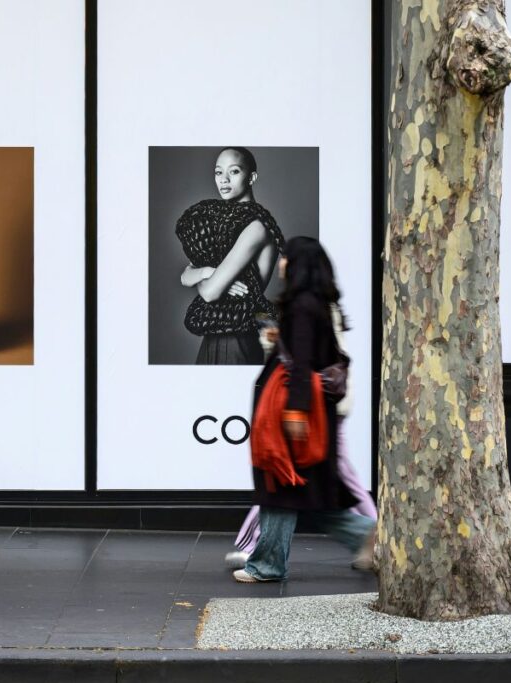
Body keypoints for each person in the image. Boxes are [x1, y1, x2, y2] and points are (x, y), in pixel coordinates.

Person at [233, 237, 376, 583]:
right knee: (311, 493)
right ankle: (369, 536)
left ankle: (267, 565)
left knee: (281, 486)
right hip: (316, 413)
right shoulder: (318, 305)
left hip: (298, 415)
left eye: (285, 258)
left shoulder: (301, 305)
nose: (281, 263)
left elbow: (300, 364)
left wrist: (295, 412)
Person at [176, 147, 285, 364]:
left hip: (237, 339)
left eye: (234, 171)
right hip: (214, 337)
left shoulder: (257, 227)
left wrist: (205, 277)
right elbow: (183, 277)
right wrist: (211, 272)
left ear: (251, 177)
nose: (224, 180)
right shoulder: (224, 227)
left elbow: (209, 293)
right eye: (218, 172)